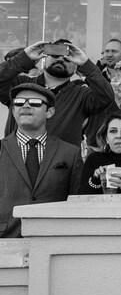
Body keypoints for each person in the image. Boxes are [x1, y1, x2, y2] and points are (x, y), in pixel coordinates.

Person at [0, 84, 82, 238]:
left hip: (54, 238)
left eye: (35, 103)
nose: (25, 106)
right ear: (12, 110)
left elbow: (75, 201)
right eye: (19, 102)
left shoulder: (71, 153)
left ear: (49, 112)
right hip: (5, 238)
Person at [0, 39, 115, 146]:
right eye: (55, 56)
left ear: (76, 66)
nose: (60, 60)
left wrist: (86, 64)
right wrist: (24, 57)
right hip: (14, 162)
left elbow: (106, 96)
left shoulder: (82, 95)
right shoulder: (19, 85)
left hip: (61, 165)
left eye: (67, 58)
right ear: (44, 58)